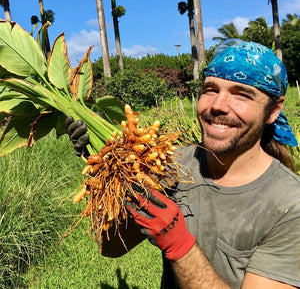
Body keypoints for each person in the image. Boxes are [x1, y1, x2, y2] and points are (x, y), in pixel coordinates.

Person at [66, 39, 300, 289]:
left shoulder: (289, 206)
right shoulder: (174, 164)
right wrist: (105, 170)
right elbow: (111, 247)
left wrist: (178, 243)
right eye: (211, 89)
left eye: (241, 94)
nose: (218, 105)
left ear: (274, 110)